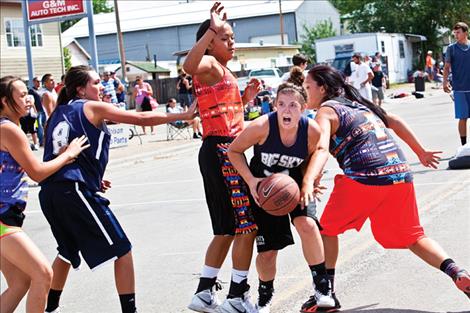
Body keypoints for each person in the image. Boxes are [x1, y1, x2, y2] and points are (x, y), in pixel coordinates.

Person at [302, 64, 470, 309]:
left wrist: (308, 180)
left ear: (323, 88)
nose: (305, 92)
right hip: (400, 175)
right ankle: (457, 272)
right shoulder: (360, 104)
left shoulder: (326, 111)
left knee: (326, 231)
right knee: (413, 237)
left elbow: (321, 149)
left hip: (365, 177)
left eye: (307, 87)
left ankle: (327, 293)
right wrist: (420, 152)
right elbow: (395, 120)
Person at [38, 65, 196, 313]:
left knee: (67, 252)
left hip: (51, 192)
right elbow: (141, 118)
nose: (101, 87)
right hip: (73, 190)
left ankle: (49, 308)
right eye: (96, 83)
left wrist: (91, 177)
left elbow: (62, 153)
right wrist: (182, 116)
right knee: (122, 249)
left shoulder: (58, 113)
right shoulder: (91, 107)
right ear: (81, 89)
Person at [228, 83, 336, 313]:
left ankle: (322, 287)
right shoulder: (261, 126)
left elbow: (318, 153)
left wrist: (310, 181)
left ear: (304, 108)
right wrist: (251, 180)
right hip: (265, 191)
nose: (286, 110)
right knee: (268, 252)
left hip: (296, 186)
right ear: (274, 105)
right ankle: (265, 297)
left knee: (306, 224)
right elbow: (233, 151)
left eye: (293, 105)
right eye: (281, 105)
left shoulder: (311, 129)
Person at [183, 2, 262, 312]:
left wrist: (245, 100)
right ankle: (237, 296)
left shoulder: (222, 70)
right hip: (222, 151)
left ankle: (204, 293)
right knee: (247, 227)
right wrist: (212, 29)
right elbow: (189, 66)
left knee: (227, 229)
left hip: (222, 149)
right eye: (225, 37)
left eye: (231, 37)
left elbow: (224, 112)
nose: (232, 42)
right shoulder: (210, 65)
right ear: (210, 41)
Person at [0, 75, 88, 313]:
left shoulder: (9, 128)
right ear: (5, 102)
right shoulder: (9, 130)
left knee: (20, 283)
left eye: (27, 93)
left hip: (8, 217)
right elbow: (38, 173)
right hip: (2, 220)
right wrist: (68, 154)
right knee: (42, 273)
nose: (28, 99)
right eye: (20, 95)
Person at [443, 22, 470, 146]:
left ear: (465, 32)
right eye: (454, 33)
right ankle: (464, 146)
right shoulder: (451, 48)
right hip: (459, 89)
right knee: (462, 117)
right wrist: (445, 81)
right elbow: (447, 67)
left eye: (458, 32)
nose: (456, 35)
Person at [29, 77, 46, 146]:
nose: (39, 83)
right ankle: (41, 142)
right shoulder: (31, 91)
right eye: (37, 81)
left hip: (44, 110)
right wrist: (35, 110)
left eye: (40, 81)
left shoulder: (42, 90)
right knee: (39, 126)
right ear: (34, 82)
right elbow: (32, 102)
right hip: (38, 111)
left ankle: (46, 140)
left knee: (45, 125)